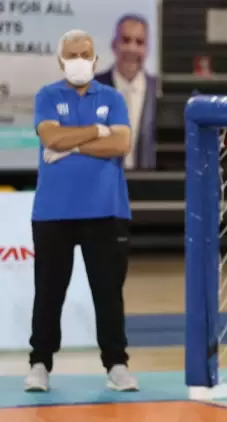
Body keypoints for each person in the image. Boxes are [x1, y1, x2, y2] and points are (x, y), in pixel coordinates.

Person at [25, 29, 137, 392]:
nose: (79, 61)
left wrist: (71, 145)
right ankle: (39, 363)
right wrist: (97, 131)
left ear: (95, 59)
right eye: (71, 55)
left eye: (84, 54)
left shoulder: (113, 97)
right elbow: (51, 138)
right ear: (61, 62)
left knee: (108, 293)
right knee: (48, 292)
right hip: (53, 212)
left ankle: (116, 364)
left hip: (106, 211)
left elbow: (121, 143)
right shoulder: (47, 95)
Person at [95, 14, 158, 169]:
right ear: (113, 45)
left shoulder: (159, 91)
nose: (132, 48)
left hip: (151, 182)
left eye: (139, 42)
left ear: (147, 49)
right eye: (126, 40)